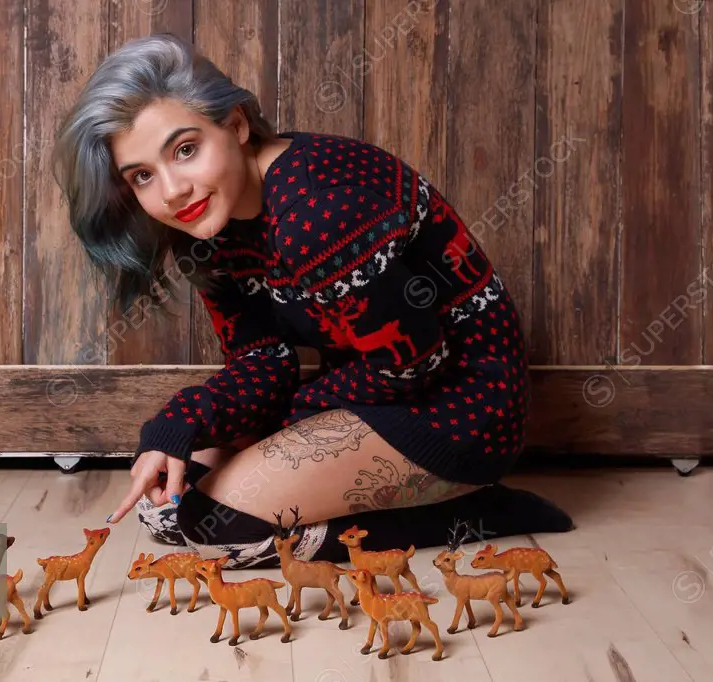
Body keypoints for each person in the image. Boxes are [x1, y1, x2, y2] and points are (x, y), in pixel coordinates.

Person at [54, 33, 573, 569]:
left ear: (234, 125)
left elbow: (415, 362)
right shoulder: (212, 222)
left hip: (460, 404)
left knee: (218, 534)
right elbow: (263, 360)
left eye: (185, 151)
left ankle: (477, 510)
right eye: (142, 175)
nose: (171, 191)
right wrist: (181, 420)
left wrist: (292, 421)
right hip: (370, 391)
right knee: (165, 510)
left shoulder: (315, 212)